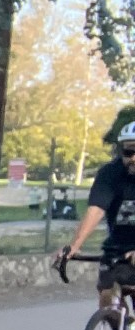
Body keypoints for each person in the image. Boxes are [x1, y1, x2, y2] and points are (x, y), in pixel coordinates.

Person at [55, 120, 135, 307]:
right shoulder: (110, 173)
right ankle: (117, 322)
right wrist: (74, 246)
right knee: (107, 298)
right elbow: (96, 209)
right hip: (117, 249)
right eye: (128, 151)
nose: (133, 158)